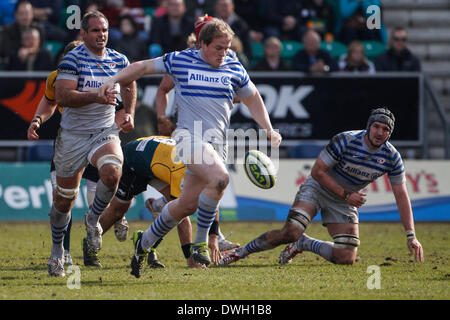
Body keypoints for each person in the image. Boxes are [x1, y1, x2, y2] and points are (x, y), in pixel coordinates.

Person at [98, 19, 282, 278]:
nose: (224, 53)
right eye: (218, 48)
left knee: (185, 206)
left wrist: (268, 128)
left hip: (217, 143)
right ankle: (200, 244)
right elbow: (142, 67)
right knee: (220, 179)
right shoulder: (181, 60)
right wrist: (113, 80)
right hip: (187, 137)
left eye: (227, 48)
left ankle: (144, 243)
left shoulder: (233, 65)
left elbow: (252, 97)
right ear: (202, 44)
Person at [219, 107, 424, 267]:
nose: (380, 132)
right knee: (291, 231)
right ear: (368, 126)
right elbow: (317, 172)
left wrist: (411, 236)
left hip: (344, 200)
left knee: (345, 257)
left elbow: (401, 195)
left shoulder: (392, 157)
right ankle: (238, 253)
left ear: (390, 133)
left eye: (385, 129)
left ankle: (305, 243)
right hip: (318, 188)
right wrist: (346, 194)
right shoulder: (345, 140)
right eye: (376, 126)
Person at [45, 10, 136, 277]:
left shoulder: (119, 59)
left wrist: (128, 112)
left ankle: (94, 219)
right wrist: (95, 96)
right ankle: (57, 253)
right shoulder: (72, 60)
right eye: (95, 31)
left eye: (105, 30)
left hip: (104, 131)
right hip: (72, 136)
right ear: (83, 34)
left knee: (112, 173)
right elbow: (63, 97)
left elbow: (130, 84)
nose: (101, 35)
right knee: (63, 202)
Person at [154, 14, 241, 253]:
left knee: (212, 180)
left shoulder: (227, 59)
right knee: (214, 178)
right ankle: (209, 238)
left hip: (215, 127)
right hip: (187, 127)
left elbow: (240, 92)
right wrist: (162, 117)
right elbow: (163, 90)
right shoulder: (183, 59)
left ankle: (164, 206)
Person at [90, 135, 209, 269]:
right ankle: (89, 245)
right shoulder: (182, 172)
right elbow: (179, 216)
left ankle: (155, 213)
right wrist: (191, 258)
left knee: (178, 210)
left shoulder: (193, 163)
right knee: (118, 211)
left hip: (152, 157)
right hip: (133, 158)